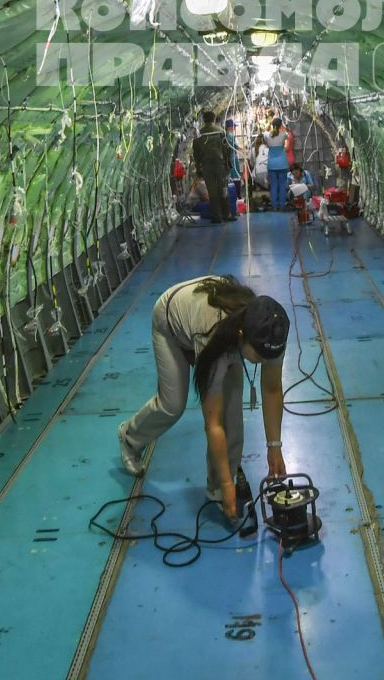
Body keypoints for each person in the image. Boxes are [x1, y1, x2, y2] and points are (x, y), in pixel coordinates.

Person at [117, 277, 290, 520]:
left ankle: (216, 487)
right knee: (172, 405)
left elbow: (272, 388)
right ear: (242, 336)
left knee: (232, 407)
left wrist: (275, 448)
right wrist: (230, 486)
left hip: (209, 318)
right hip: (171, 321)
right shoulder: (214, 339)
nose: (263, 362)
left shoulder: (272, 331)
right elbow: (213, 424)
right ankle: (129, 437)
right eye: (258, 357)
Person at [190, 110, 234, 224]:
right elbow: (227, 149)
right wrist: (227, 162)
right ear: (214, 119)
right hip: (220, 165)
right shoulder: (221, 132)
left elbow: (196, 153)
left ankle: (216, 216)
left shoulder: (199, 134)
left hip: (206, 166)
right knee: (223, 189)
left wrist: (199, 169)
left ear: (204, 120)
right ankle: (227, 214)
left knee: (212, 191)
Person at [254, 117, 297, 211]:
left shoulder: (267, 135)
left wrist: (270, 124)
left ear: (272, 125)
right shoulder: (283, 135)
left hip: (272, 164)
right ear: (280, 125)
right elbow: (286, 134)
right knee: (282, 185)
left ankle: (274, 206)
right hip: (282, 163)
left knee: (273, 186)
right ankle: (282, 206)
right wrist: (282, 127)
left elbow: (264, 132)